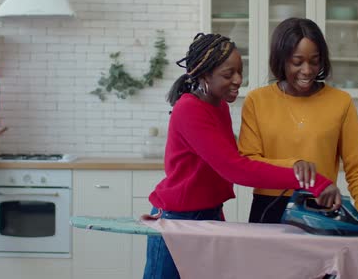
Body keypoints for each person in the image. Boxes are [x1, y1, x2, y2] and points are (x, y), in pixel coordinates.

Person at [143, 33, 342, 279]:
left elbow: (231, 159)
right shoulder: (189, 109)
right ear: (204, 74)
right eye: (228, 74)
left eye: (240, 71)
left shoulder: (219, 105)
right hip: (178, 218)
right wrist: (310, 180)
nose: (238, 80)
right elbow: (235, 168)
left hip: (209, 213)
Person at [238, 17, 358, 231]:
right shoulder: (257, 100)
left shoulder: (341, 102)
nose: (307, 70)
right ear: (281, 59)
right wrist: (294, 166)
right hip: (269, 207)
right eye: (297, 61)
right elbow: (249, 160)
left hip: (321, 207)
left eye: (314, 60)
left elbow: (357, 168)